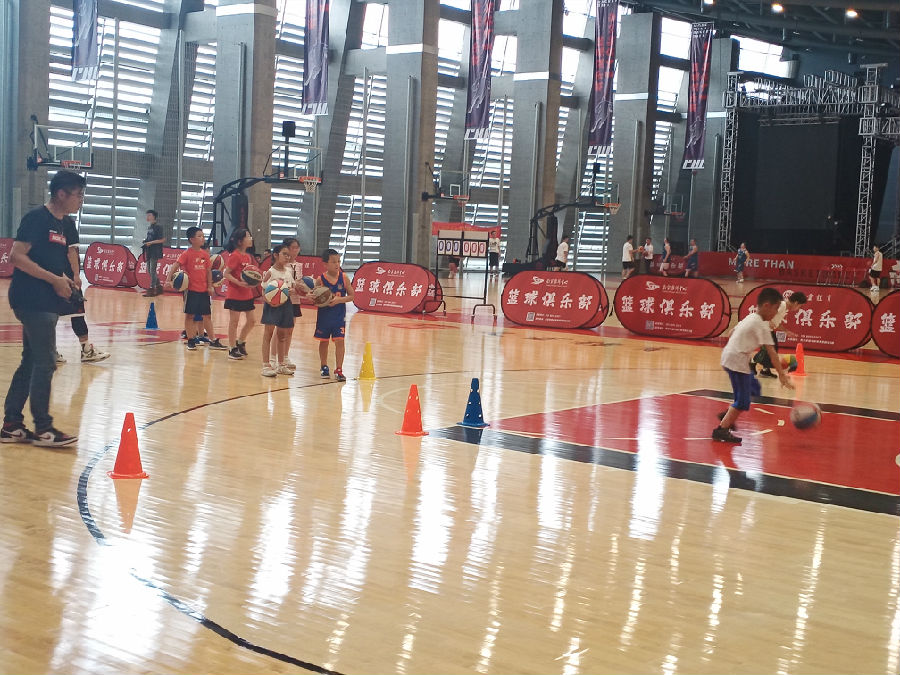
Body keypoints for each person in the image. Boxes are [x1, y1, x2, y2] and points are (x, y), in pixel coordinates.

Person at [1, 170, 82, 447]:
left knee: (31, 359)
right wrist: (53, 280)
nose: (80, 200)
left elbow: (52, 261)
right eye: (77, 195)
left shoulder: (64, 224)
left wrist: (66, 279)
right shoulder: (37, 218)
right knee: (46, 361)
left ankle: (12, 425)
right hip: (30, 299)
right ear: (61, 194)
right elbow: (16, 257)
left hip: (47, 300)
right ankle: (43, 428)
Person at [713, 287, 793, 444]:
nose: (776, 313)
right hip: (737, 362)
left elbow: (730, 333)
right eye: (776, 309)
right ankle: (721, 430)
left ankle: (729, 414)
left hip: (730, 357)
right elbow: (772, 353)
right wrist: (782, 375)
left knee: (754, 388)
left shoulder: (750, 317)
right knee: (743, 402)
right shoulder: (762, 325)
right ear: (766, 306)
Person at [165, 226, 227, 352]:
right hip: (191, 290)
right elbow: (176, 265)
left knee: (207, 316)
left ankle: (213, 340)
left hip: (203, 290)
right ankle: (191, 340)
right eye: (199, 236)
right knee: (190, 316)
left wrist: (209, 286)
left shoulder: (205, 254)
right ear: (192, 239)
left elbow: (208, 272)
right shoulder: (187, 254)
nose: (202, 238)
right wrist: (168, 279)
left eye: (203, 236)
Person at [59, 214, 110, 364]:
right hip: (64, 277)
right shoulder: (67, 222)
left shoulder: (46, 219)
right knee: (77, 312)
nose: (79, 203)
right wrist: (75, 275)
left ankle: (49, 351)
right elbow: (72, 250)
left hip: (50, 275)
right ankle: (86, 350)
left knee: (51, 314)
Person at [315, 248, 355, 382]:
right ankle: (324, 366)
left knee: (340, 341)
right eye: (333, 262)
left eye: (338, 261)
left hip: (339, 316)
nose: (337, 264)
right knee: (323, 342)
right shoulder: (320, 280)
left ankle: (339, 369)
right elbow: (314, 297)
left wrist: (339, 300)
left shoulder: (344, 277)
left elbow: (352, 296)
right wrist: (312, 297)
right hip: (324, 316)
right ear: (325, 264)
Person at [259, 244, 297, 377]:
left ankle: (281, 365)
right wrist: (269, 301)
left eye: (288, 255)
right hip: (272, 306)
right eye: (284, 254)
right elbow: (263, 290)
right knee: (268, 334)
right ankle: (265, 365)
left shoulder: (288, 272)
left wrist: (291, 291)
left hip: (286, 305)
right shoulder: (271, 272)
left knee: (282, 335)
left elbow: (292, 288)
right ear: (275, 255)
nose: (287, 257)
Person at [223, 228, 258, 360]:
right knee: (234, 322)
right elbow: (226, 273)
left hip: (246, 293)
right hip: (235, 293)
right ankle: (232, 348)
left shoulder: (247, 256)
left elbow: (249, 274)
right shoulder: (235, 255)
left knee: (252, 321)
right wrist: (238, 282)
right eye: (248, 236)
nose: (250, 239)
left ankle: (241, 341)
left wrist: (253, 283)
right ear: (240, 241)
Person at [754, 291, 807, 378]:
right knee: (768, 350)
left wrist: (786, 331)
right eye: (800, 306)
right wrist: (768, 320)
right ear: (796, 303)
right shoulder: (781, 305)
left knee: (771, 350)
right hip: (763, 329)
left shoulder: (784, 308)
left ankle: (764, 369)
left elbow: (777, 323)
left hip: (768, 330)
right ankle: (754, 364)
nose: (798, 308)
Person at [142, 210, 165, 297]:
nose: (147, 217)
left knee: (152, 270)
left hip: (155, 251)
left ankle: (152, 289)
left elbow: (162, 240)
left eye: (149, 215)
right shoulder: (150, 227)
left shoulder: (158, 227)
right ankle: (159, 287)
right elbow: (150, 238)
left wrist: (151, 243)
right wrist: (146, 241)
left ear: (154, 216)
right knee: (150, 271)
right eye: (147, 215)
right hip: (149, 250)